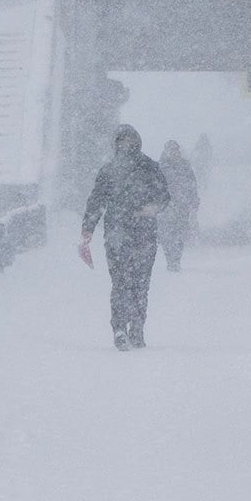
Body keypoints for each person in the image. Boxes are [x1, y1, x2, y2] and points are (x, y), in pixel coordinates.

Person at [81, 124, 170, 351]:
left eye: (129, 142)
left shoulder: (147, 168)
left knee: (138, 284)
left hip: (137, 235)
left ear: (137, 143)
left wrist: (152, 208)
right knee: (122, 283)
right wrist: (87, 229)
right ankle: (121, 328)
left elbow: (164, 196)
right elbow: (96, 201)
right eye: (122, 142)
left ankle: (136, 328)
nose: (126, 147)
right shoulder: (112, 171)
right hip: (121, 235)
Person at [157, 140, 199, 272]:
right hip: (165, 206)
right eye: (171, 150)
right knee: (166, 235)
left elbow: (192, 184)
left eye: (175, 150)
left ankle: (176, 259)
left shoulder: (185, 166)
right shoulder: (160, 167)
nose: (173, 152)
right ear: (166, 151)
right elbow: (153, 186)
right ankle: (170, 259)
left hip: (182, 206)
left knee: (179, 233)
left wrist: (193, 201)